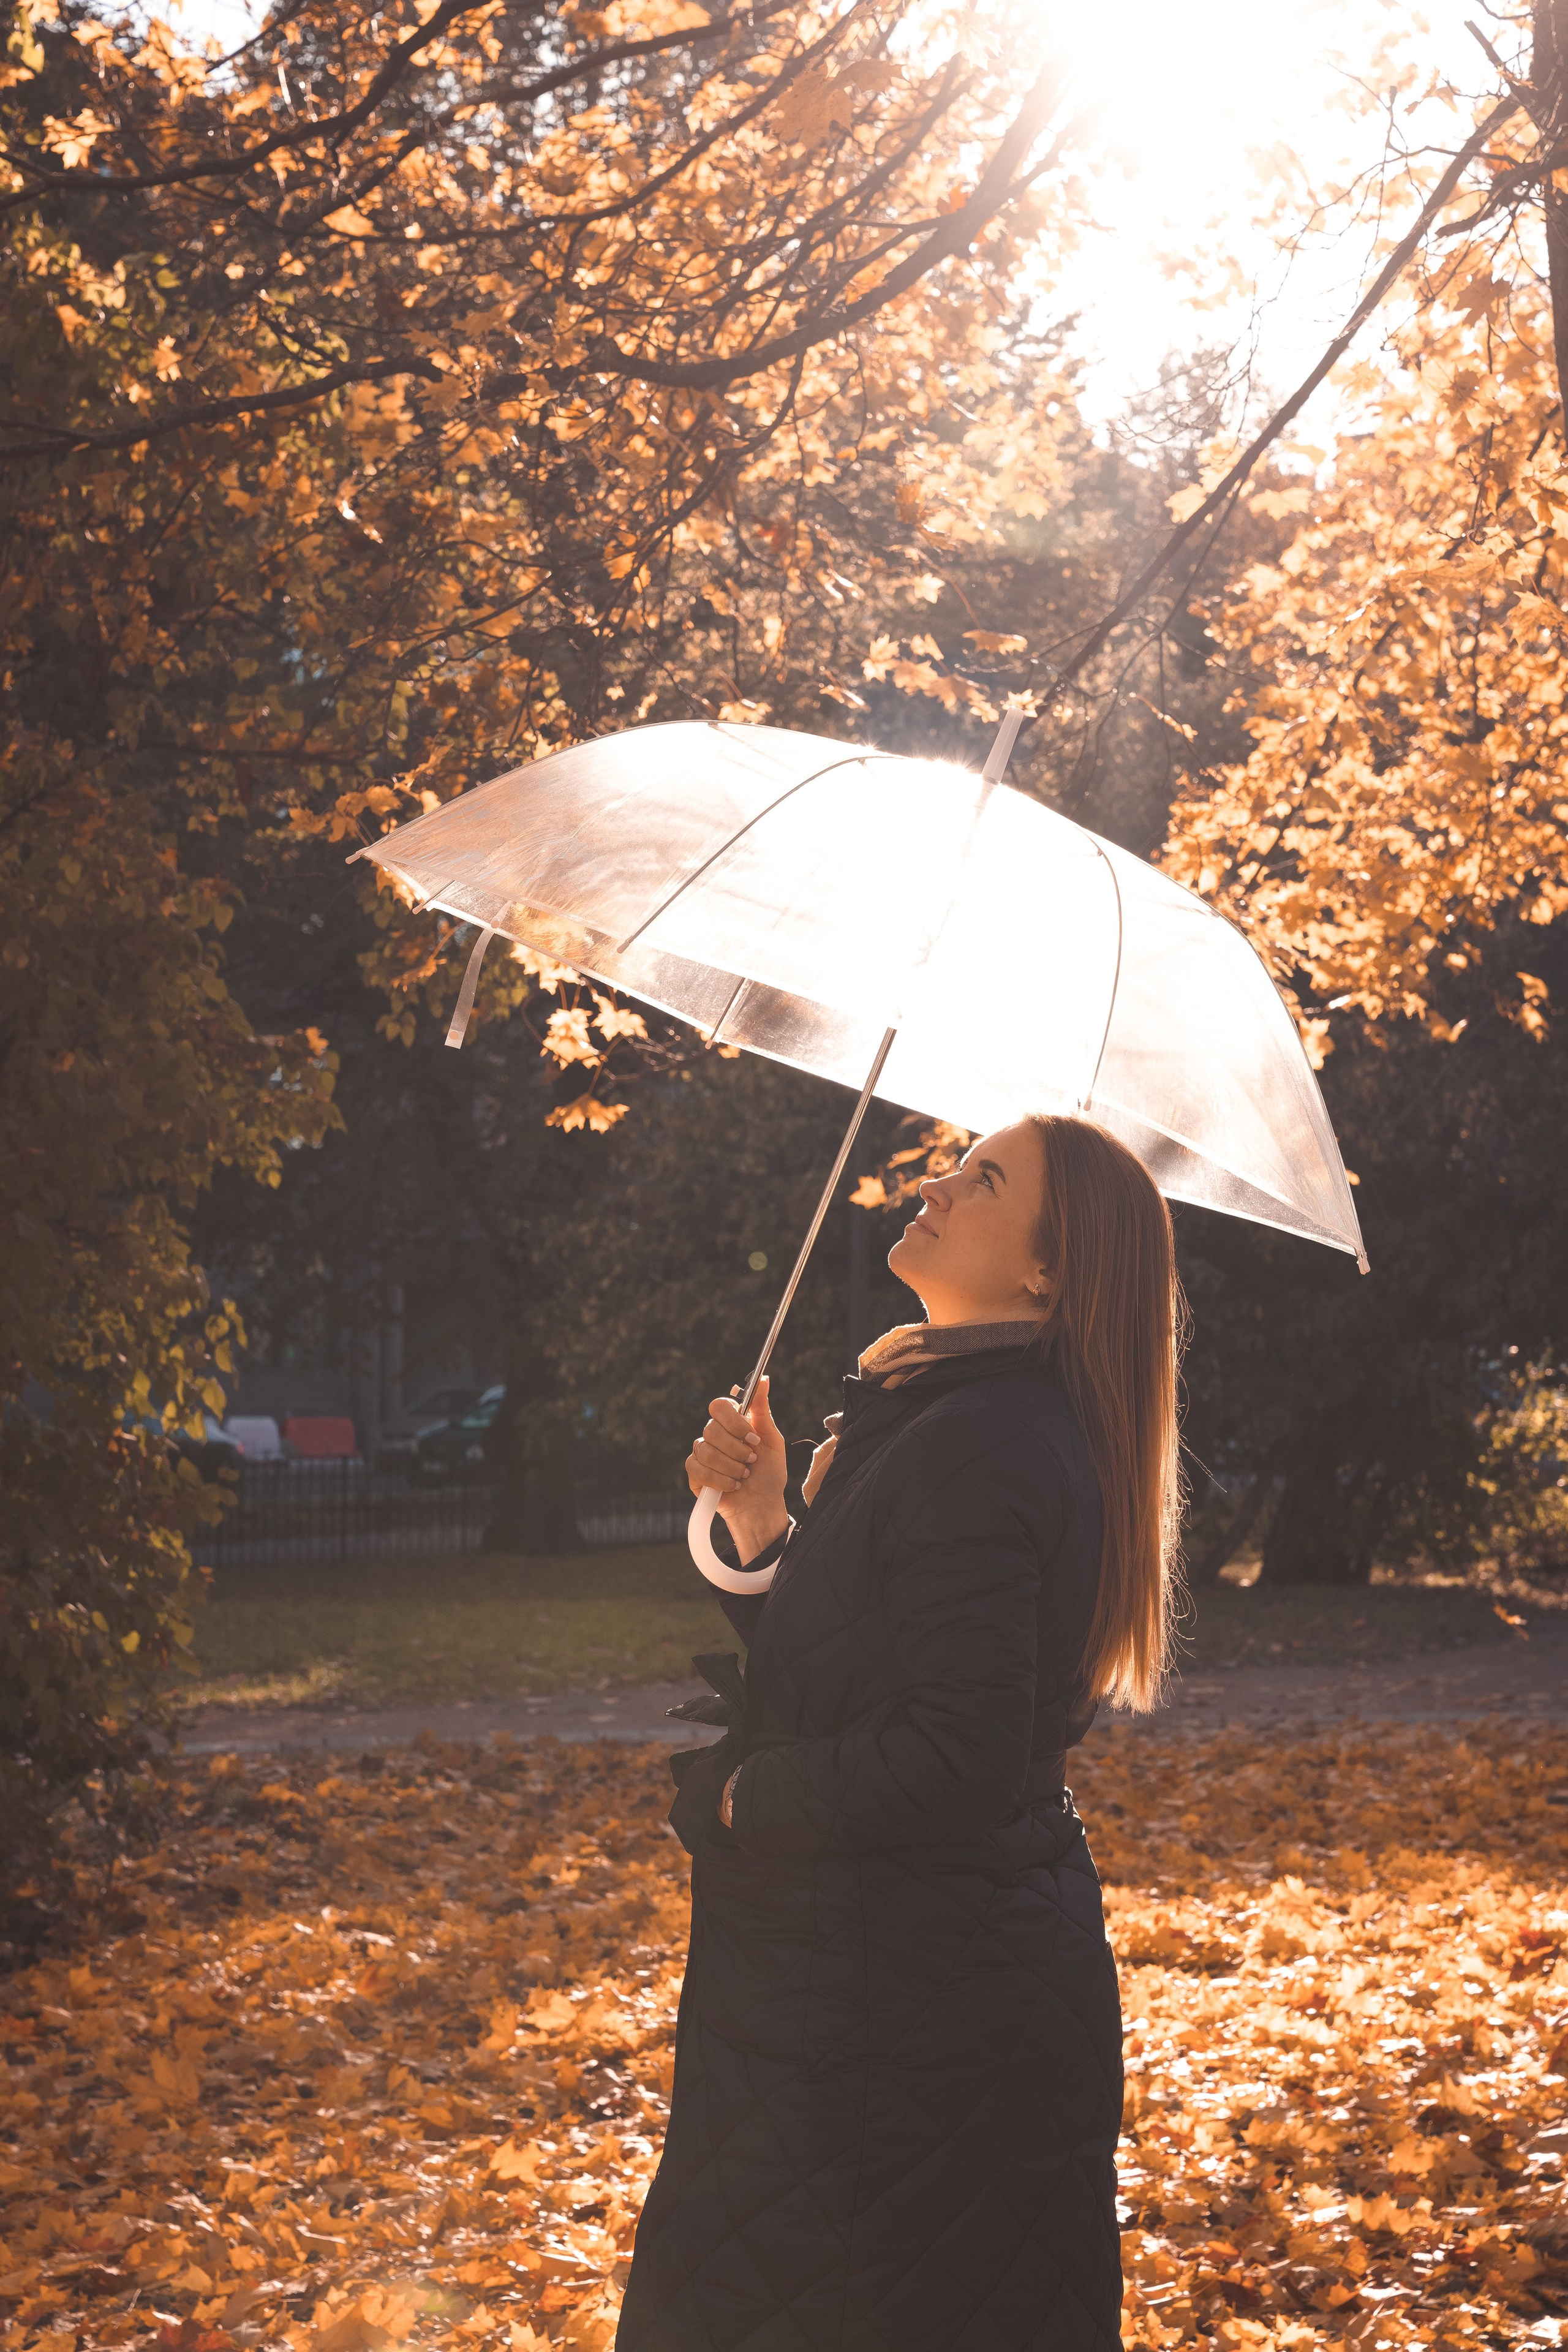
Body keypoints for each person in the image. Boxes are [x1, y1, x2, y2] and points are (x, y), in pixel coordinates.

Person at [616, 1114, 1184, 2352]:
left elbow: (953, 1757)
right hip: (889, 1995)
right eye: (955, 1163)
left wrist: (741, 1801)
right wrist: (763, 1525)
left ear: (1046, 1271)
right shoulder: (953, 1415)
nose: (936, 1182)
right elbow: (870, 1669)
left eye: (982, 1180)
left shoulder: (981, 1440)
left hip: (897, 2022)